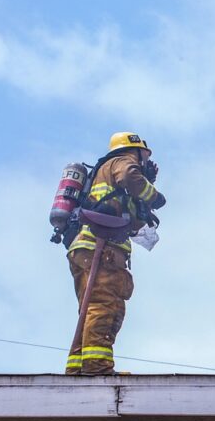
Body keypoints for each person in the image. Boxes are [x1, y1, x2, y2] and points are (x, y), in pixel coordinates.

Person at [66, 132, 165, 375]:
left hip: (85, 248)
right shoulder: (123, 161)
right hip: (102, 250)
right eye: (143, 154)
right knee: (105, 308)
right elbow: (129, 177)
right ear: (136, 150)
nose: (144, 160)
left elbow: (131, 215)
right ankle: (97, 368)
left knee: (89, 309)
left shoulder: (105, 172)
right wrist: (155, 195)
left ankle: (76, 368)